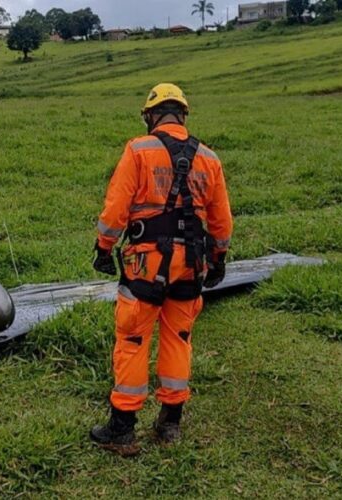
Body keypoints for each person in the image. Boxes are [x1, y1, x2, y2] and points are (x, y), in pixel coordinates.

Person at [90, 83, 234, 456]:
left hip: (145, 265)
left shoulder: (138, 150)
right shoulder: (210, 158)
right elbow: (221, 222)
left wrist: (104, 249)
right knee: (178, 338)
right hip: (191, 267)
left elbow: (115, 209)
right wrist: (218, 259)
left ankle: (122, 430)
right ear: (183, 116)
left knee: (134, 339)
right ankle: (170, 424)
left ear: (151, 116)